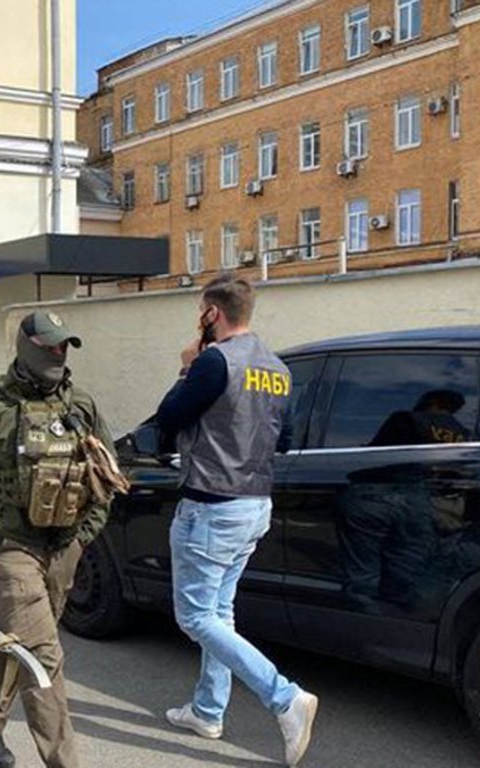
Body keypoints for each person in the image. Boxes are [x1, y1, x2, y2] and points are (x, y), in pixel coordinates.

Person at [154, 274, 318, 767]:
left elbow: (168, 419)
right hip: (255, 504)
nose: (198, 319)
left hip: (211, 505)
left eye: (200, 311)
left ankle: (284, 697)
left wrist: (186, 367)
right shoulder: (277, 368)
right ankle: (208, 712)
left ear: (213, 313)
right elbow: (284, 439)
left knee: (195, 617)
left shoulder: (214, 361)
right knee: (219, 613)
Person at [0, 310, 115, 768]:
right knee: (43, 655)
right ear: (25, 346)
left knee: (21, 644)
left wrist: (81, 538)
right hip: (12, 547)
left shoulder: (81, 405)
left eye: (63, 346)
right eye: (48, 346)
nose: (57, 353)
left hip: (63, 549)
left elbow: (108, 477)